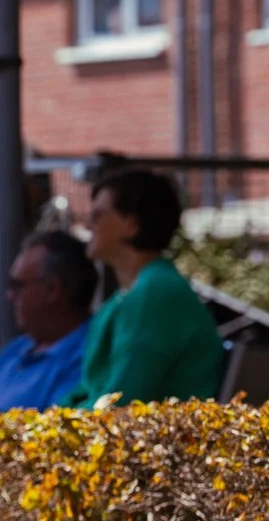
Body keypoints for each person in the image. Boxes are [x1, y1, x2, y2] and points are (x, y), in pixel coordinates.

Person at [65, 168, 225, 407]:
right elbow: (89, 389)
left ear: (132, 225)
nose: (88, 224)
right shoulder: (131, 293)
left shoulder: (154, 294)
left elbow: (122, 399)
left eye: (98, 215)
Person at [0, 231, 96, 416]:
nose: (9, 296)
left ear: (52, 290)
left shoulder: (89, 355)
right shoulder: (16, 350)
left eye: (17, 285)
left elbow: (56, 431)